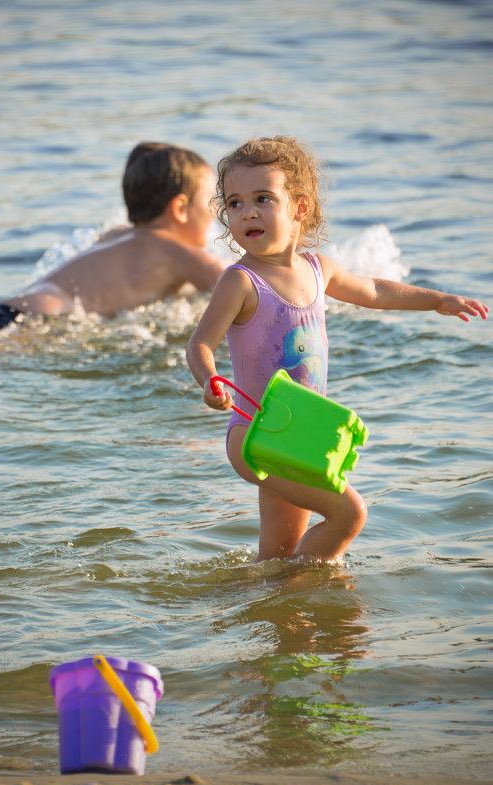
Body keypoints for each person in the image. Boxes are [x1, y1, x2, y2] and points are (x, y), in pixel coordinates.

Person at [186, 136, 489, 564]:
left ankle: (266, 602)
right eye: (234, 203)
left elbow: (375, 290)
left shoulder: (318, 268)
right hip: (256, 434)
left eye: (263, 198)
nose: (247, 211)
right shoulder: (240, 282)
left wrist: (437, 300)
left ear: (300, 208)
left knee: (278, 551)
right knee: (349, 513)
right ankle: (305, 587)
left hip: (302, 432)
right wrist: (209, 381)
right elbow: (200, 342)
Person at [0, 142, 224, 349]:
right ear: (180, 208)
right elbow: (241, 291)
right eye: (211, 200)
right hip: (40, 323)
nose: (216, 212)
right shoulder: (184, 257)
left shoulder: (114, 235)